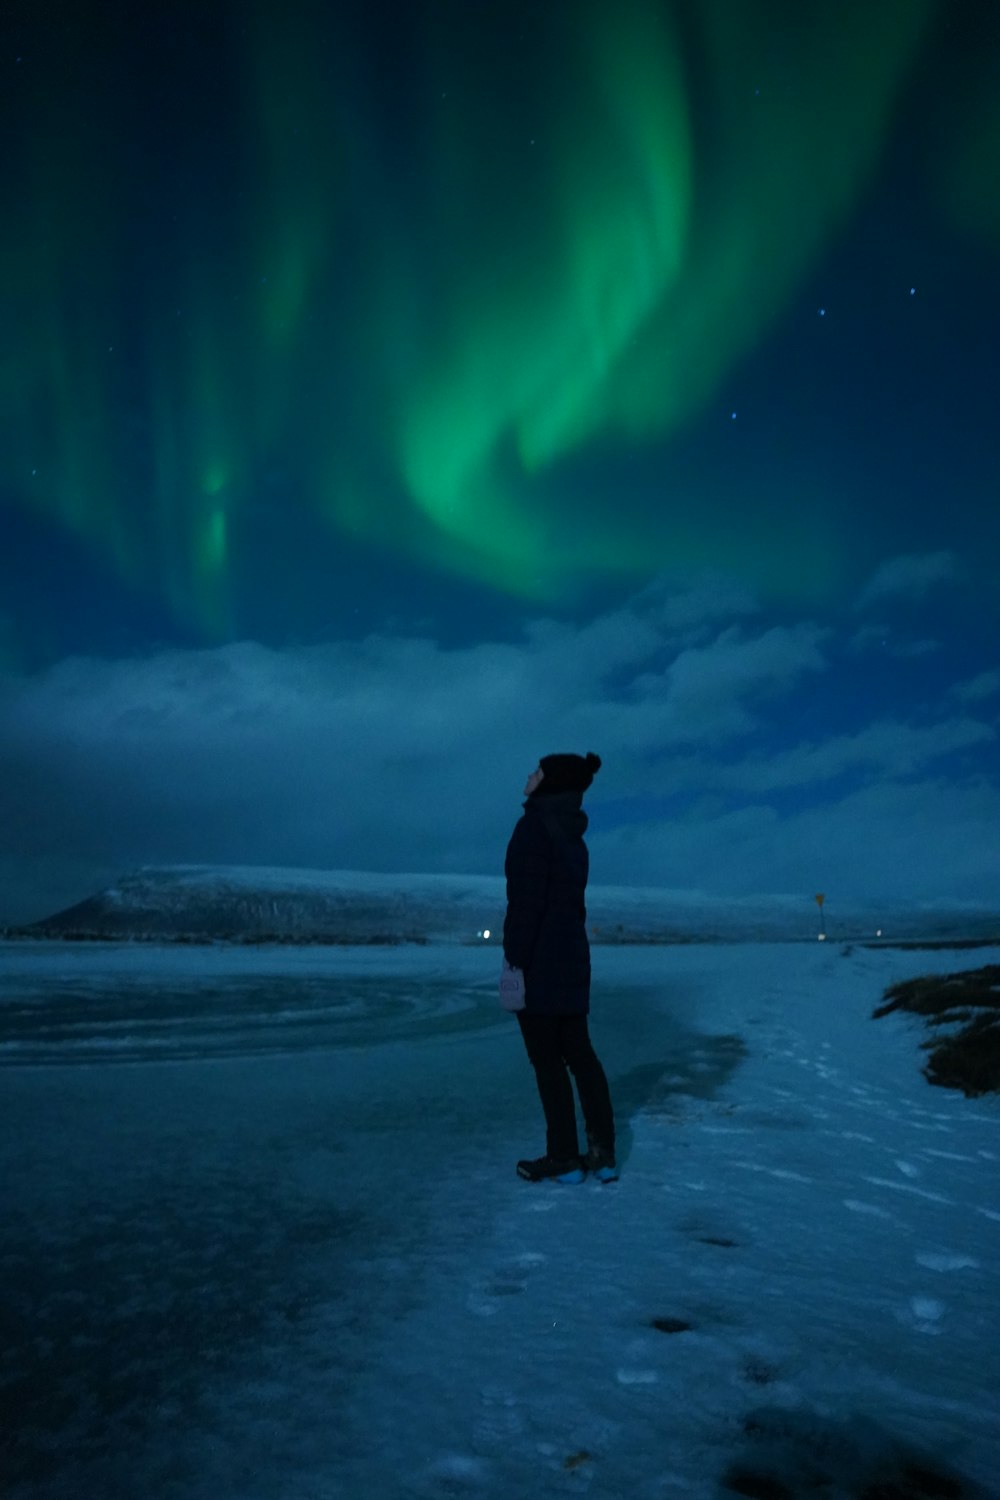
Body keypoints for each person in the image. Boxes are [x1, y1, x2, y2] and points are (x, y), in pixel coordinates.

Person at [501, 752, 617, 1184]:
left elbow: (526, 904)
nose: (529, 776)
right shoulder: (573, 835)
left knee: (548, 1062)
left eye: (537, 772)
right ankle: (602, 1155)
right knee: (581, 1057)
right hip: (572, 960)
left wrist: (515, 959)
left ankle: (564, 1158)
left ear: (550, 784)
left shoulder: (533, 828)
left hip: (540, 965)